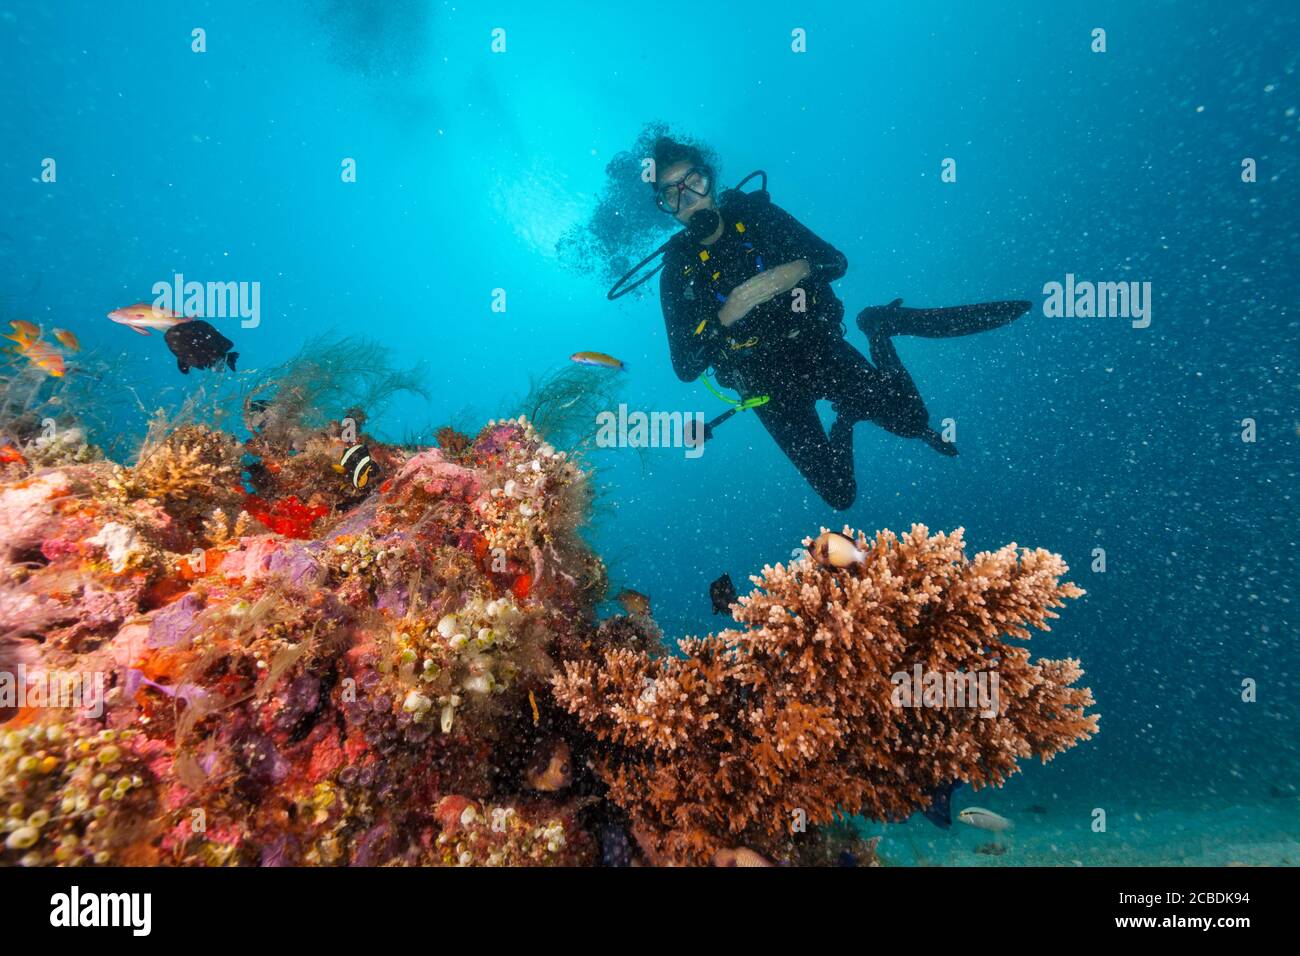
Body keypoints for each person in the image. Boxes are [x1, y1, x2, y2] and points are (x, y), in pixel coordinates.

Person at [649, 137, 1030, 510]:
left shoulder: (758, 216)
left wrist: (795, 270)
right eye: (672, 194)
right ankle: (848, 416)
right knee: (839, 495)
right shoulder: (677, 274)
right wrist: (728, 311)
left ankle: (879, 326)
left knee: (912, 420)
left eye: (694, 182)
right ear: (665, 208)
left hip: (817, 347)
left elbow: (835, 261)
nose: (688, 198)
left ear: (710, 179)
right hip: (765, 384)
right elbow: (686, 366)